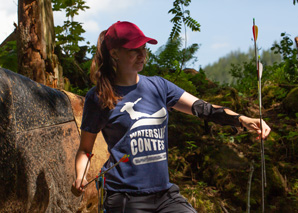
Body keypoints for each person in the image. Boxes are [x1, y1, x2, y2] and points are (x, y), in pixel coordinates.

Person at [71, 21, 271, 212]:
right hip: (125, 197)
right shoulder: (99, 96)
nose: (142, 54)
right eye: (134, 49)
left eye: (144, 48)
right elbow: (85, 150)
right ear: (115, 53)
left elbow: (204, 108)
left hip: (164, 194)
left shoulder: (159, 86)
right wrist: (81, 176)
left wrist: (242, 119)